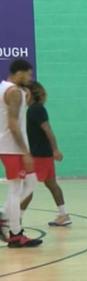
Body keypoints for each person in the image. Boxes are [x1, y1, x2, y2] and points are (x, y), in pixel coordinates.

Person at [0, 60, 41, 247]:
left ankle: (4, 215)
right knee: (16, 190)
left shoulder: (7, 88)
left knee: (31, 182)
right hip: (12, 147)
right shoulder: (14, 92)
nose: (30, 79)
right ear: (19, 73)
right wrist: (25, 152)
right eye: (29, 75)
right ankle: (15, 233)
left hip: (10, 146)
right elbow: (13, 124)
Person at [20, 81, 71, 226]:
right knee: (51, 184)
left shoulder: (35, 110)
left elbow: (48, 130)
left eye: (24, 92)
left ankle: (17, 219)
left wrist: (55, 149)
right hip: (43, 154)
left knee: (27, 188)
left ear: (30, 94)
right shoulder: (36, 109)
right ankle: (63, 215)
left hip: (39, 156)